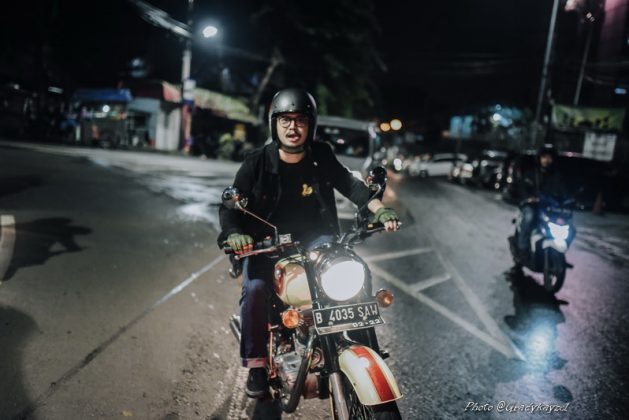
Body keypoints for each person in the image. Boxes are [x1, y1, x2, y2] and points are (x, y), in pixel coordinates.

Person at [217, 88, 400, 398]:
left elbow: (350, 184)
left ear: (310, 124)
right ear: (274, 124)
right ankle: (257, 364)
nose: (293, 127)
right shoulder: (257, 162)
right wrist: (235, 234)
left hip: (316, 240)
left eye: (300, 120)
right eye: (285, 120)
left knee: (354, 269)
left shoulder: (320, 155)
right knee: (256, 290)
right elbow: (230, 206)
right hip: (266, 244)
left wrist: (378, 208)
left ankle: (365, 342)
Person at [515, 143, 566, 261]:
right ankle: (523, 249)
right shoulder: (531, 173)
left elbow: (562, 191)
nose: (547, 160)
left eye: (549, 157)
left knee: (566, 222)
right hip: (531, 205)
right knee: (529, 217)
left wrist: (567, 199)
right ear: (539, 158)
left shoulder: (556, 176)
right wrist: (529, 197)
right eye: (544, 157)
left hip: (548, 207)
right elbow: (523, 188)